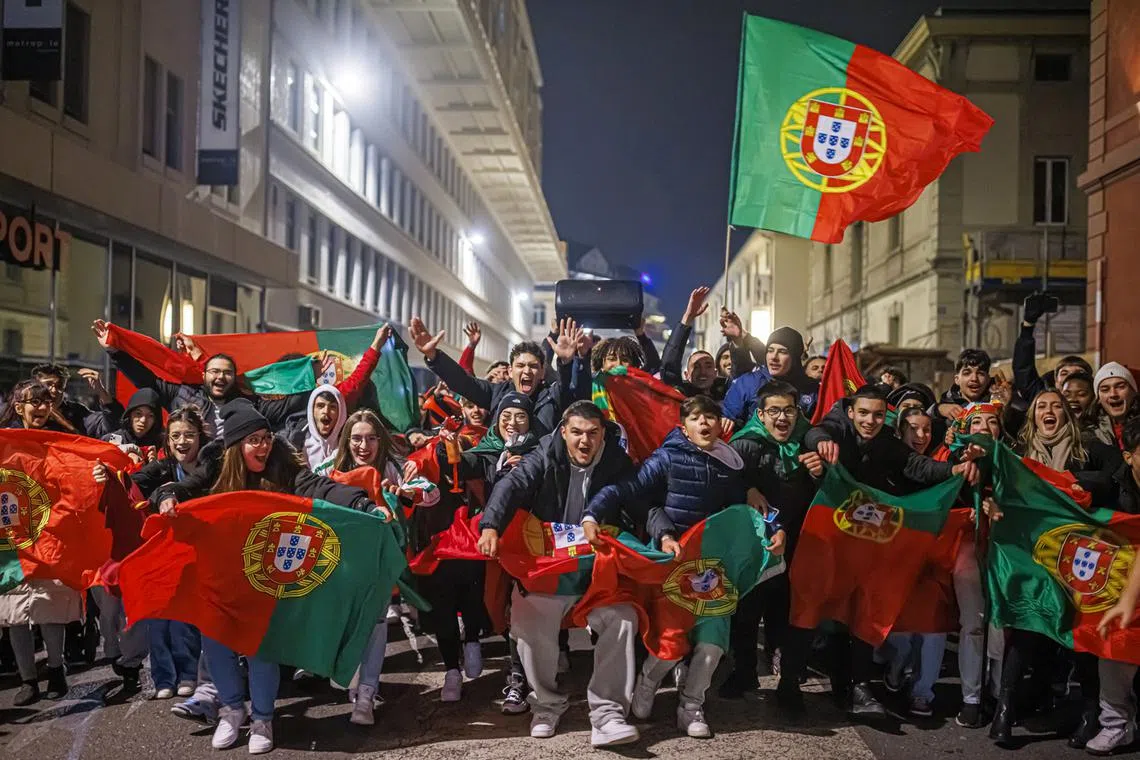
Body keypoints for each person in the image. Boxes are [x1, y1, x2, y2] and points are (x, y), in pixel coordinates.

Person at [156, 399, 386, 754]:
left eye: (266, 437)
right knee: (216, 643)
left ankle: (263, 718)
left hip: (263, 573)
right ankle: (232, 711)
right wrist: (168, 496)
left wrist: (361, 503)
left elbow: (319, 488)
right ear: (236, 445)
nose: (263, 445)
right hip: (219, 571)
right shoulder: (215, 463)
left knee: (260, 644)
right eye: (254, 440)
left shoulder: (281, 463)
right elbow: (185, 488)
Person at [584, 395, 782, 738]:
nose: (704, 424)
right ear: (684, 427)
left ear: (721, 425)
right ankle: (648, 681)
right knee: (671, 642)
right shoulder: (667, 458)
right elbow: (625, 489)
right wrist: (591, 515)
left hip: (712, 569)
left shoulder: (731, 465)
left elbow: (750, 515)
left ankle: (691, 707)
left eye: (711, 417)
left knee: (712, 645)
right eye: (696, 418)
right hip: (674, 562)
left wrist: (774, 531)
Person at [476, 401, 644, 747]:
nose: (585, 441)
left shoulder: (616, 463)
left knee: (624, 617)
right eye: (577, 432)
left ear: (603, 436)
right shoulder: (543, 454)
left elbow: (643, 503)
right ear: (563, 432)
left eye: (593, 434)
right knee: (528, 616)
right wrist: (491, 525)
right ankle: (546, 705)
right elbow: (511, 485)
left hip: (596, 570)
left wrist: (667, 534)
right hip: (550, 565)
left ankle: (608, 713)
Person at [806, 384, 978, 714]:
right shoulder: (838, 427)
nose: (870, 421)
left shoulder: (886, 442)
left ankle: (858, 687)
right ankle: (796, 684)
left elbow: (916, 465)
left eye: (878, 415)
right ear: (852, 411)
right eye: (864, 413)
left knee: (859, 608)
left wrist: (952, 470)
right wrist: (820, 444)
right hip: (826, 530)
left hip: (865, 536)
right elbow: (816, 432)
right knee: (818, 608)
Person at [989, 389, 1121, 748]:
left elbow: (1117, 471)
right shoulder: (1018, 456)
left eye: (1056, 407)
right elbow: (995, 487)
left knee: (1081, 633)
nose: (1049, 412)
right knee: (1028, 624)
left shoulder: (1088, 448)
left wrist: (1082, 483)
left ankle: (1089, 714)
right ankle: (1004, 709)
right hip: (1033, 556)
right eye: (1041, 407)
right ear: (1031, 416)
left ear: (1067, 414)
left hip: (1077, 557)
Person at [91, 320, 387, 439]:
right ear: (204, 374)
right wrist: (115, 350)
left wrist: (311, 378)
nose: (220, 378)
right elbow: (147, 379)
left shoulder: (252, 406)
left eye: (227, 374)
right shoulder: (183, 395)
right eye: (214, 372)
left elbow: (306, 400)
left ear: (235, 379)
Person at [721, 380, 823, 709]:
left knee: (788, 614)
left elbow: (824, 498)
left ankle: (789, 682)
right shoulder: (745, 445)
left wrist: (821, 473)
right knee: (747, 612)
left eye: (789, 410)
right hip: (754, 548)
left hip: (796, 547)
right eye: (774, 410)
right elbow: (724, 484)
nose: (782, 417)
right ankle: (745, 672)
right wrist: (746, 490)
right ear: (761, 415)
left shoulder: (809, 447)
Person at [95, 408, 208, 702]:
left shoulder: (212, 464)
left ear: (200, 437)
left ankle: (188, 673)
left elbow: (195, 488)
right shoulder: (160, 467)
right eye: (175, 436)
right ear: (167, 441)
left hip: (201, 554)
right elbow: (129, 482)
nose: (182, 441)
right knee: (157, 616)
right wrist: (105, 472)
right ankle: (163, 676)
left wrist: (172, 492)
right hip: (162, 554)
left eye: (189, 435)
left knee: (185, 619)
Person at [330, 408, 434, 725]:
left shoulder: (394, 467)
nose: (364, 446)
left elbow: (432, 492)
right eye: (357, 439)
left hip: (378, 566)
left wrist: (407, 491)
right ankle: (352, 677)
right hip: (340, 567)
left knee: (375, 628)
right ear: (346, 441)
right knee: (347, 628)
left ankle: (366, 696)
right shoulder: (327, 469)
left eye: (372, 438)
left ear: (381, 441)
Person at [0, 381, 83, 705]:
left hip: (50, 531)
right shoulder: (4, 441)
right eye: (32, 401)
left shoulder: (60, 441)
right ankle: (28, 680)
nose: (40, 407)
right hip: (9, 534)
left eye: (45, 401)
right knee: (13, 609)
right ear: (18, 407)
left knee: (50, 603)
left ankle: (56, 670)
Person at [410, 317, 589, 433]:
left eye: (533, 366)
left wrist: (567, 363)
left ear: (542, 371)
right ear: (511, 371)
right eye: (520, 365)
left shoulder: (552, 396)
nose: (527, 371)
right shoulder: (496, 393)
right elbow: (462, 382)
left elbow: (574, 394)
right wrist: (433, 356)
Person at [883, 407, 950, 718]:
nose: (921, 436)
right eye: (913, 429)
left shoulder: (944, 466)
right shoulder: (887, 466)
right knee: (900, 630)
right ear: (900, 432)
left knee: (934, 626)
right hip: (894, 558)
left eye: (927, 430)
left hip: (933, 559)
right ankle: (897, 665)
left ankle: (923, 690)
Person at [1088, 418, 1140, 754]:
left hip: (1132, 584)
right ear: (1130, 456)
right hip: (1120, 577)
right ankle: (1116, 723)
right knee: (1114, 640)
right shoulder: (1111, 485)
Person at [722, 326, 817, 427]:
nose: (774, 357)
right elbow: (727, 418)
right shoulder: (747, 383)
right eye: (770, 350)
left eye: (782, 352)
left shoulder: (812, 389)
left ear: (795, 357)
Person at [1013, 294, 1094, 401]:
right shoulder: (1042, 399)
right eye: (1064, 373)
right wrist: (1028, 326)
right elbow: (1023, 370)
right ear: (1055, 381)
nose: (1070, 378)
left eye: (1078, 374)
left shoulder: (1099, 410)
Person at [660, 287, 728, 400]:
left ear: (716, 373)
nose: (703, 372)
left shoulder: (729, 398)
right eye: (696, 367)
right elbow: (669, 367)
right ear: (687, 375)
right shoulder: (681, 397)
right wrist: (688, 317)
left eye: (708, 366)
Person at [30, 362, 123, 436]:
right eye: (48, 385)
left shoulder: (77, 412)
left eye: (60, 386)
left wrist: (101, 391)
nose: (54, 390)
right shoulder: (23, 409)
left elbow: (111, 427)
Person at [98, 387, 164, 461]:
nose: (143, 420)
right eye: (138, 413)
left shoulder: (162, 446)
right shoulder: (110, 440)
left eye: (150, 416)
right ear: (129, 414)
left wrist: (156, 465)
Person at [934, 349, 994, 424]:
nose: (974, 379)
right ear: (957, 379)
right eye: (967, 373)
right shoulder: (945, 407)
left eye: (980, 373)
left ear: (988, 379)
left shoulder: (996, 404)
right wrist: (937, 410)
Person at [1090, 362, 1139, 450]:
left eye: (1120, 387)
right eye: (1105, 390)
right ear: (1098, 399)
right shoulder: (1090, 434)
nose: (1113, 394)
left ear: (1133, 392)